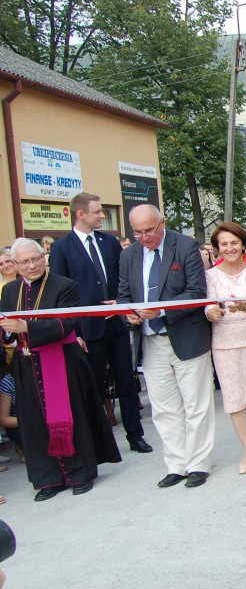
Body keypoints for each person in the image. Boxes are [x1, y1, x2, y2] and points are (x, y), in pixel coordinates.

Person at [0, 238, 121, 500]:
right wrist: (8, 333)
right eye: (24, 262)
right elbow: (6, 328)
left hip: (62, 360)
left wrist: (27, 328)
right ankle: (49, 479)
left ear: (44, 257)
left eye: (36, 258)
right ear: (15, 265)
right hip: (26, 363)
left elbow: (67, 322)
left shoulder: (64, 285)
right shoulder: (10, 291)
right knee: (35, 423)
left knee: (71, 417)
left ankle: (80, 473)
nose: (32, 266)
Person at [118, 204, 215, 488]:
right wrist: (130, 314)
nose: (145, 237)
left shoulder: (185, 246)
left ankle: (198, 464)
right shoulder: (128, 256)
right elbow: (124, 294)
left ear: (162, 223)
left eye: (150, 230)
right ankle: (176, 464)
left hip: (186, 336)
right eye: (138, 232)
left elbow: (196, 292)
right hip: (149, 341)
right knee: (164, 408)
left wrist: (160, 311)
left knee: (197, 404)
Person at [48, 192, 152, 455]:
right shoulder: (62, 248)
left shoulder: (109, 242)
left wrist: (120, 302)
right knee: (92, 388)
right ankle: (98, 443)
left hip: (115, 326)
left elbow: (123, 279)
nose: (103, 216)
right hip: (86, 331)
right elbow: (59, 293)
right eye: (98, 212)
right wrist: (73, 332)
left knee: (126, 383)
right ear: (80, 214)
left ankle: (135, 435)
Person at [204, 223, 246, 473]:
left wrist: (244, 306)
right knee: (234, 399)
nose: (229, 248)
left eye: (234, 243)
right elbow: (208, 305)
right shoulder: (210, 276)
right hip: (224, 343)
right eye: (224, 244)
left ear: (243, 245)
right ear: (217, 248)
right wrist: (212, 312)